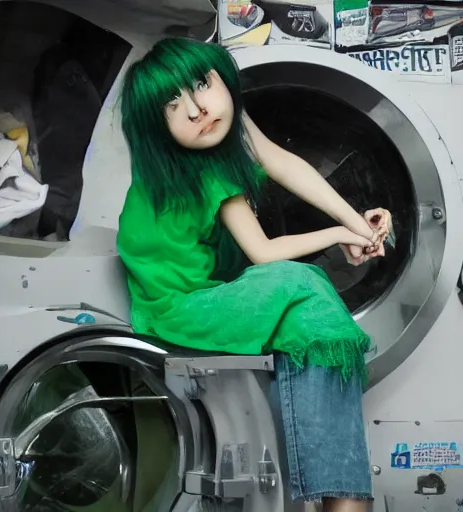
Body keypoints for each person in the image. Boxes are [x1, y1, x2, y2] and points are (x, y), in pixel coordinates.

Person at [116, 37, 391, 511]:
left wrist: (354, 223)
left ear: (223, 76)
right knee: (305, 290)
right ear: (155, 128)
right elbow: (264, 253)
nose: (197, 109)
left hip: (206, 290)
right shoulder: (203, 169)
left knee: (309, 317)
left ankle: (337, 500)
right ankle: (342, 501)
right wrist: (337, 235)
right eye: (171, 105)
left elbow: (282, 163)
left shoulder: (228, 127)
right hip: (179, 308)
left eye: (201, 84)